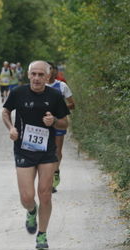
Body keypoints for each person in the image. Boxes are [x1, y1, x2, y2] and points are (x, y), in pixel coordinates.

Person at [2, 60, 70, 250]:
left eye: (41, 75)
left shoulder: (55, 95)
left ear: (48, 77)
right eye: (34, 74)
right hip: (23, 149)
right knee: (26, 197)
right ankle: (31, 210)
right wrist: (11, 128)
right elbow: (5, 112)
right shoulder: (18, 93)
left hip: (46, 151)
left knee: (45, 194)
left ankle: (42, 234)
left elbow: (65, 123)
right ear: (28, 75)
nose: (37, 78)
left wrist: (54, 121)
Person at [46, 62, 75, 193]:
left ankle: (55, 173)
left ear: (55, 71)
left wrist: (59, 110)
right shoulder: (39, 85)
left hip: (59, 121)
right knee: (45, 151)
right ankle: (47, 179)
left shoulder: (62, 86)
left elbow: (72, 104)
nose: (49, 71)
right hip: (43, 123)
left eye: (51, 69)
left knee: (57, 151)